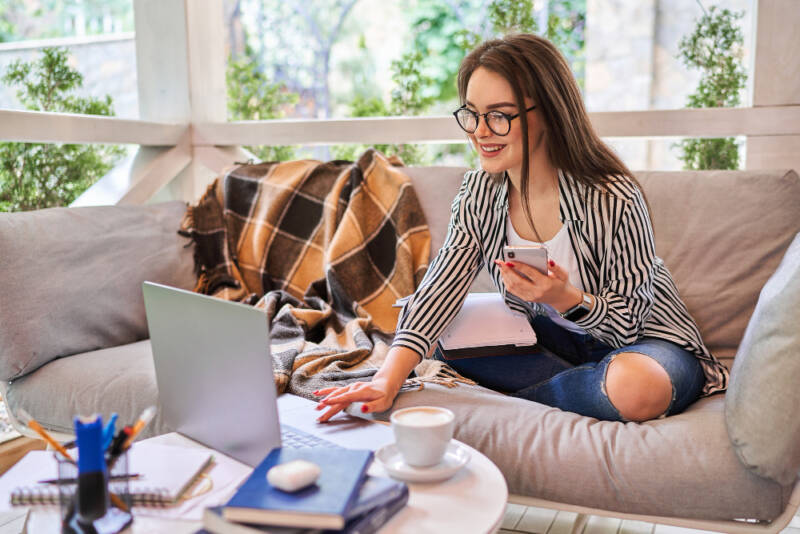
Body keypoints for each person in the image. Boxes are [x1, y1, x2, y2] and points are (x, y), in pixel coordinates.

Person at [314, 33, 729, 423]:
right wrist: (387, 380)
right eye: (472, 114)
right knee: (438, 334)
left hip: (645, 345)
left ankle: (515, 401)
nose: (479, 132)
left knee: (635, 387)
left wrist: (566, 297)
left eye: (498, 116)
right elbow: (440, 289)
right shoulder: (478, 190)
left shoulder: (612, 196)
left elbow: (630, 323)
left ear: (547, 112)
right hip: (550, 343)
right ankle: (579, 389)